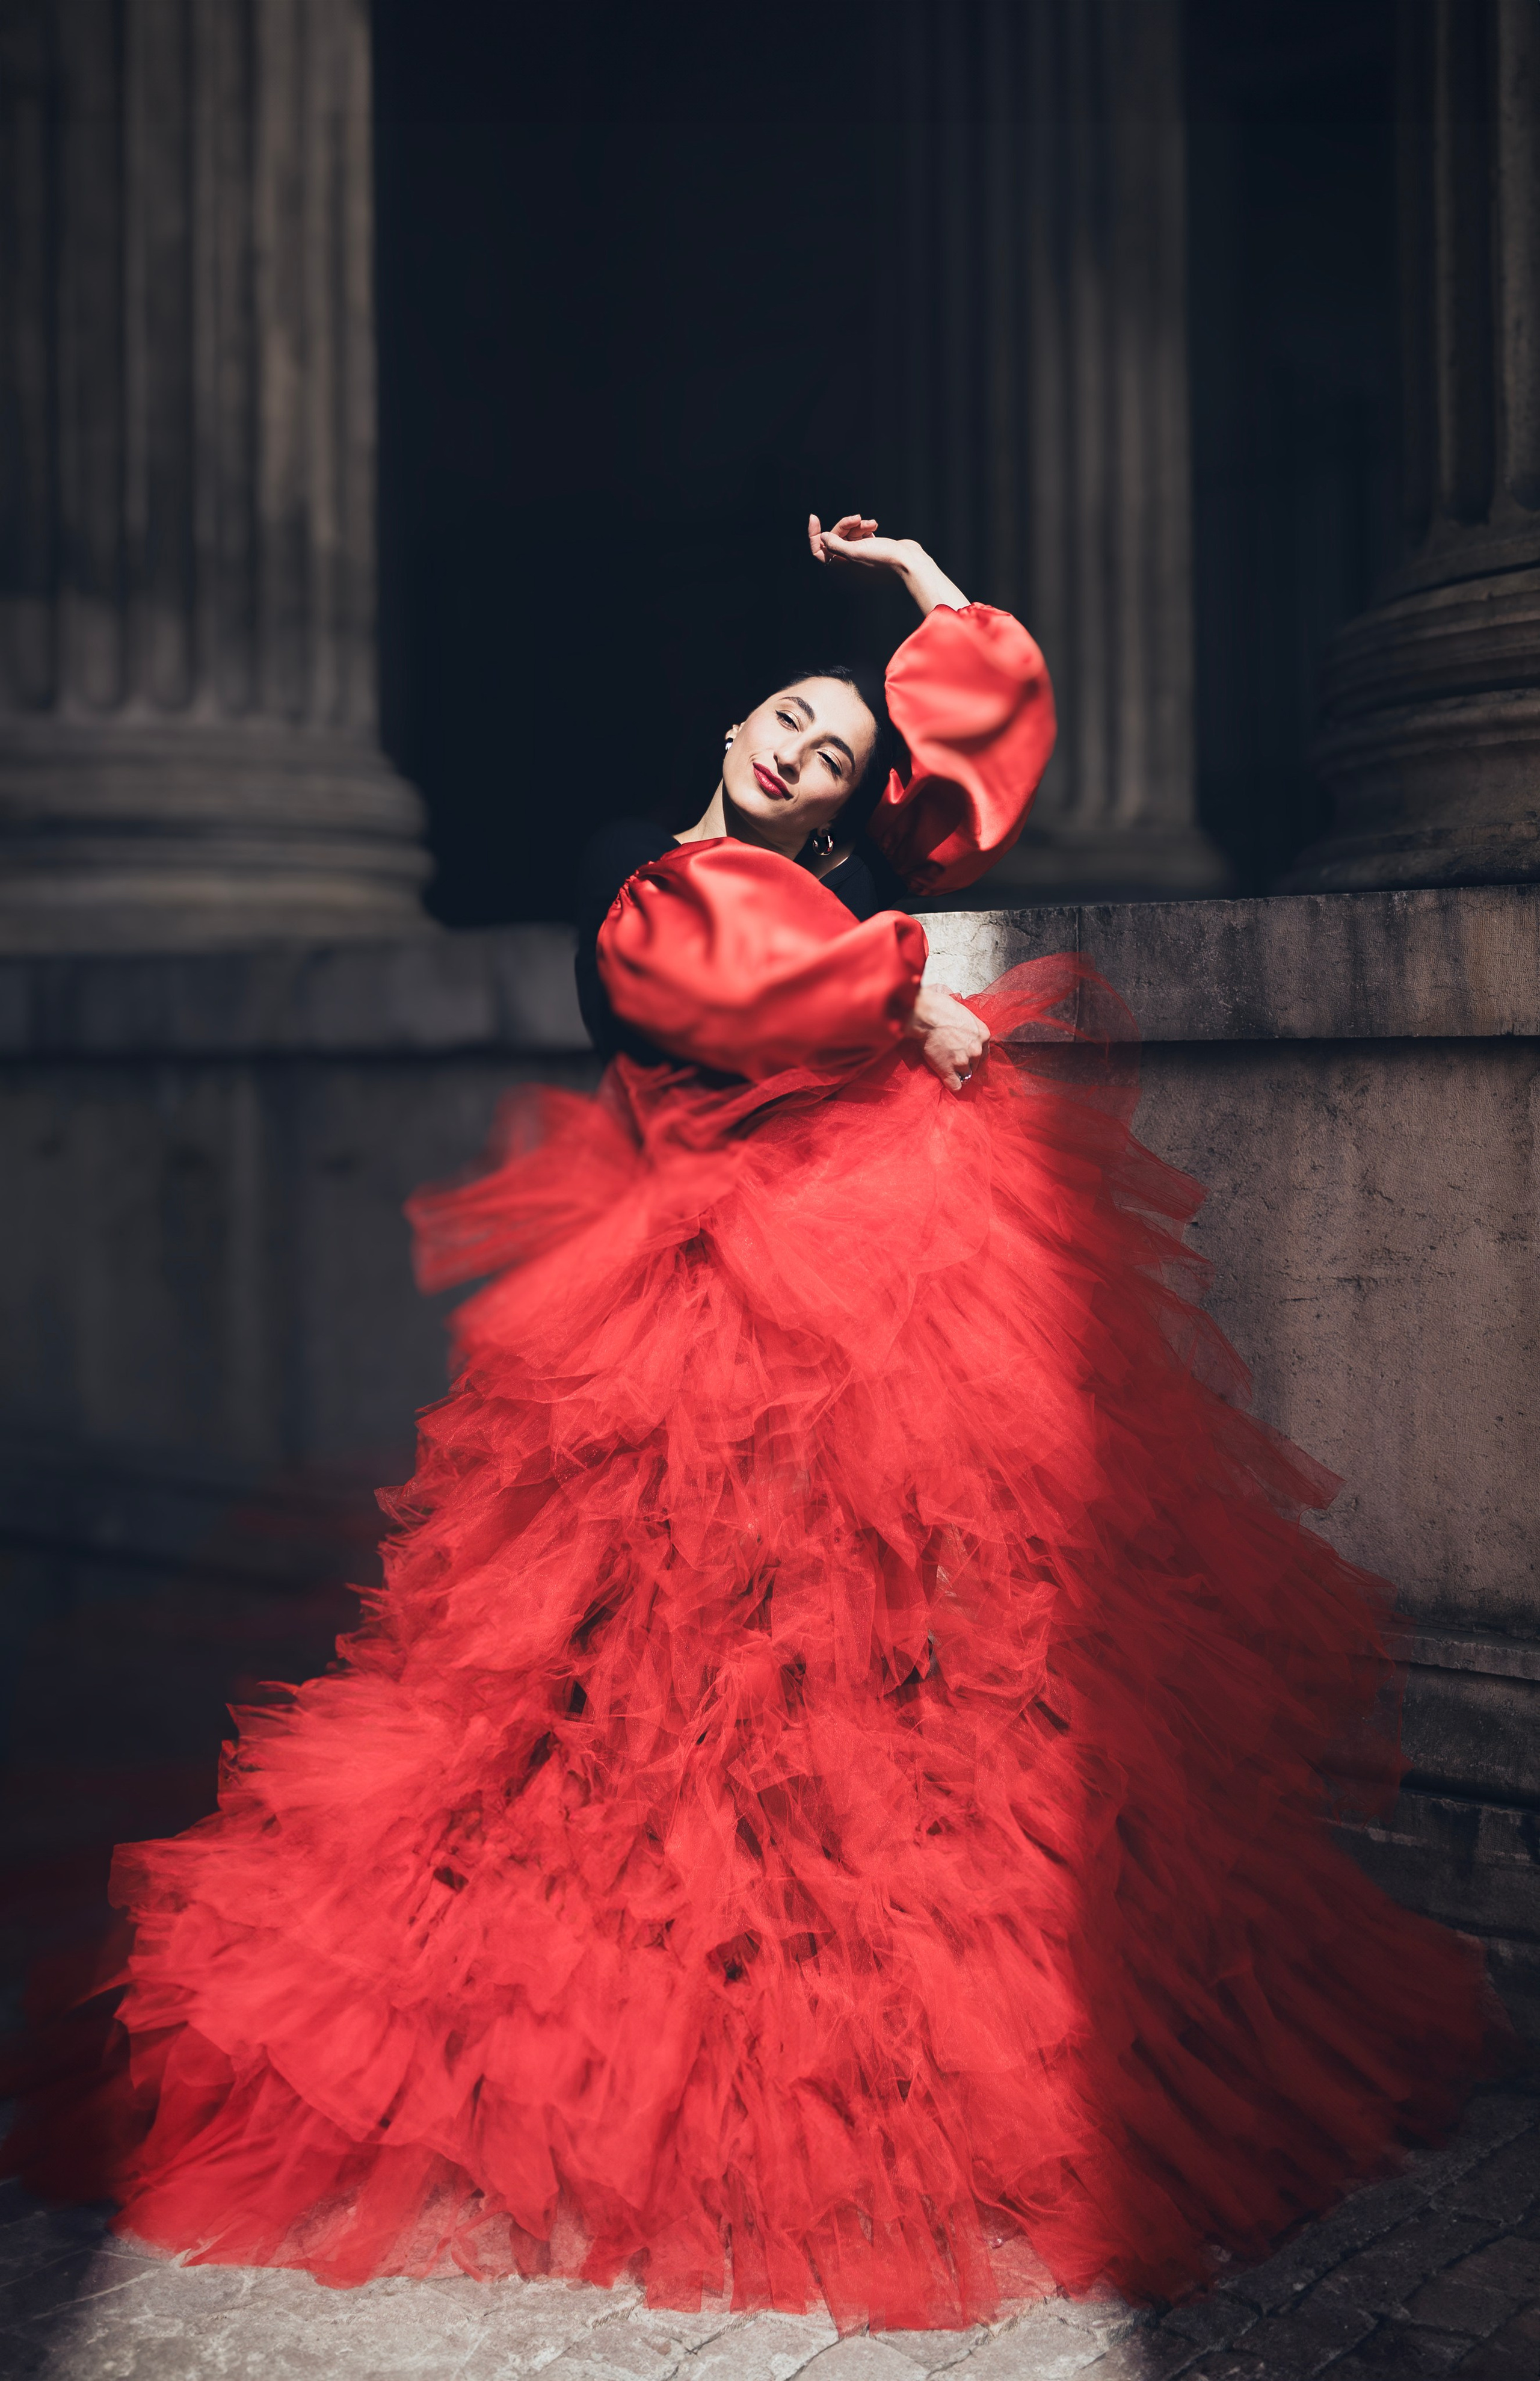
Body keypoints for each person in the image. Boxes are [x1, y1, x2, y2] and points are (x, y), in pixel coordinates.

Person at [7, 516, 1495, 2335]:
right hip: (711, 1329)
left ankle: (909, 2052)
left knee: (894, 1699)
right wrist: (902, 996)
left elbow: (964, 782)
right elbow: (708, 987)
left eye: (840, 757)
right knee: (671, 1711)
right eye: (793, 719)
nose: (810, 753)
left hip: (885, 1322)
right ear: (735, 729)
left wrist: (930, 595)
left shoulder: (838, 871)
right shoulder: (647, 879)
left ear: (845, 808)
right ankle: (666, 2058)